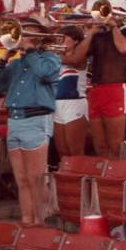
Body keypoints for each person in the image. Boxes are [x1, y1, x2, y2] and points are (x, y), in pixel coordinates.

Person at [0, 20, 60, 225]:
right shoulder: (17, 64)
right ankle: (28, 221)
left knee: (36, 179)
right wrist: (3, 59)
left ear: (41, 38)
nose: (24, 38)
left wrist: (31, 51)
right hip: (15, 120)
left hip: (36, 119)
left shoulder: (50, 59)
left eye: (29, 34)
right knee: (22, 180)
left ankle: (42, 221)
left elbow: (45, 73)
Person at [65, 1, 126, 159]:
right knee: (100, 145)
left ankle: (118, 177)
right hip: (96, 90)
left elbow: (123, 48)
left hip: (116, 89)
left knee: (116, 144)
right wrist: (91, 32)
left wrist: (114, 27)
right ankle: (106, 178)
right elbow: (76, 57)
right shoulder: (97, 35)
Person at [52, 26, 90, 158]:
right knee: (62, 151)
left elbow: (73, 60)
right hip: (57, 105)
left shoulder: (80, 58)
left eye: (63, 38)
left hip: (75, 104)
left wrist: (48, 53)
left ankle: (79, 177)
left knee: (75, 151)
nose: (59, 41)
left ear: (75, 41)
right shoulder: (56, 57)